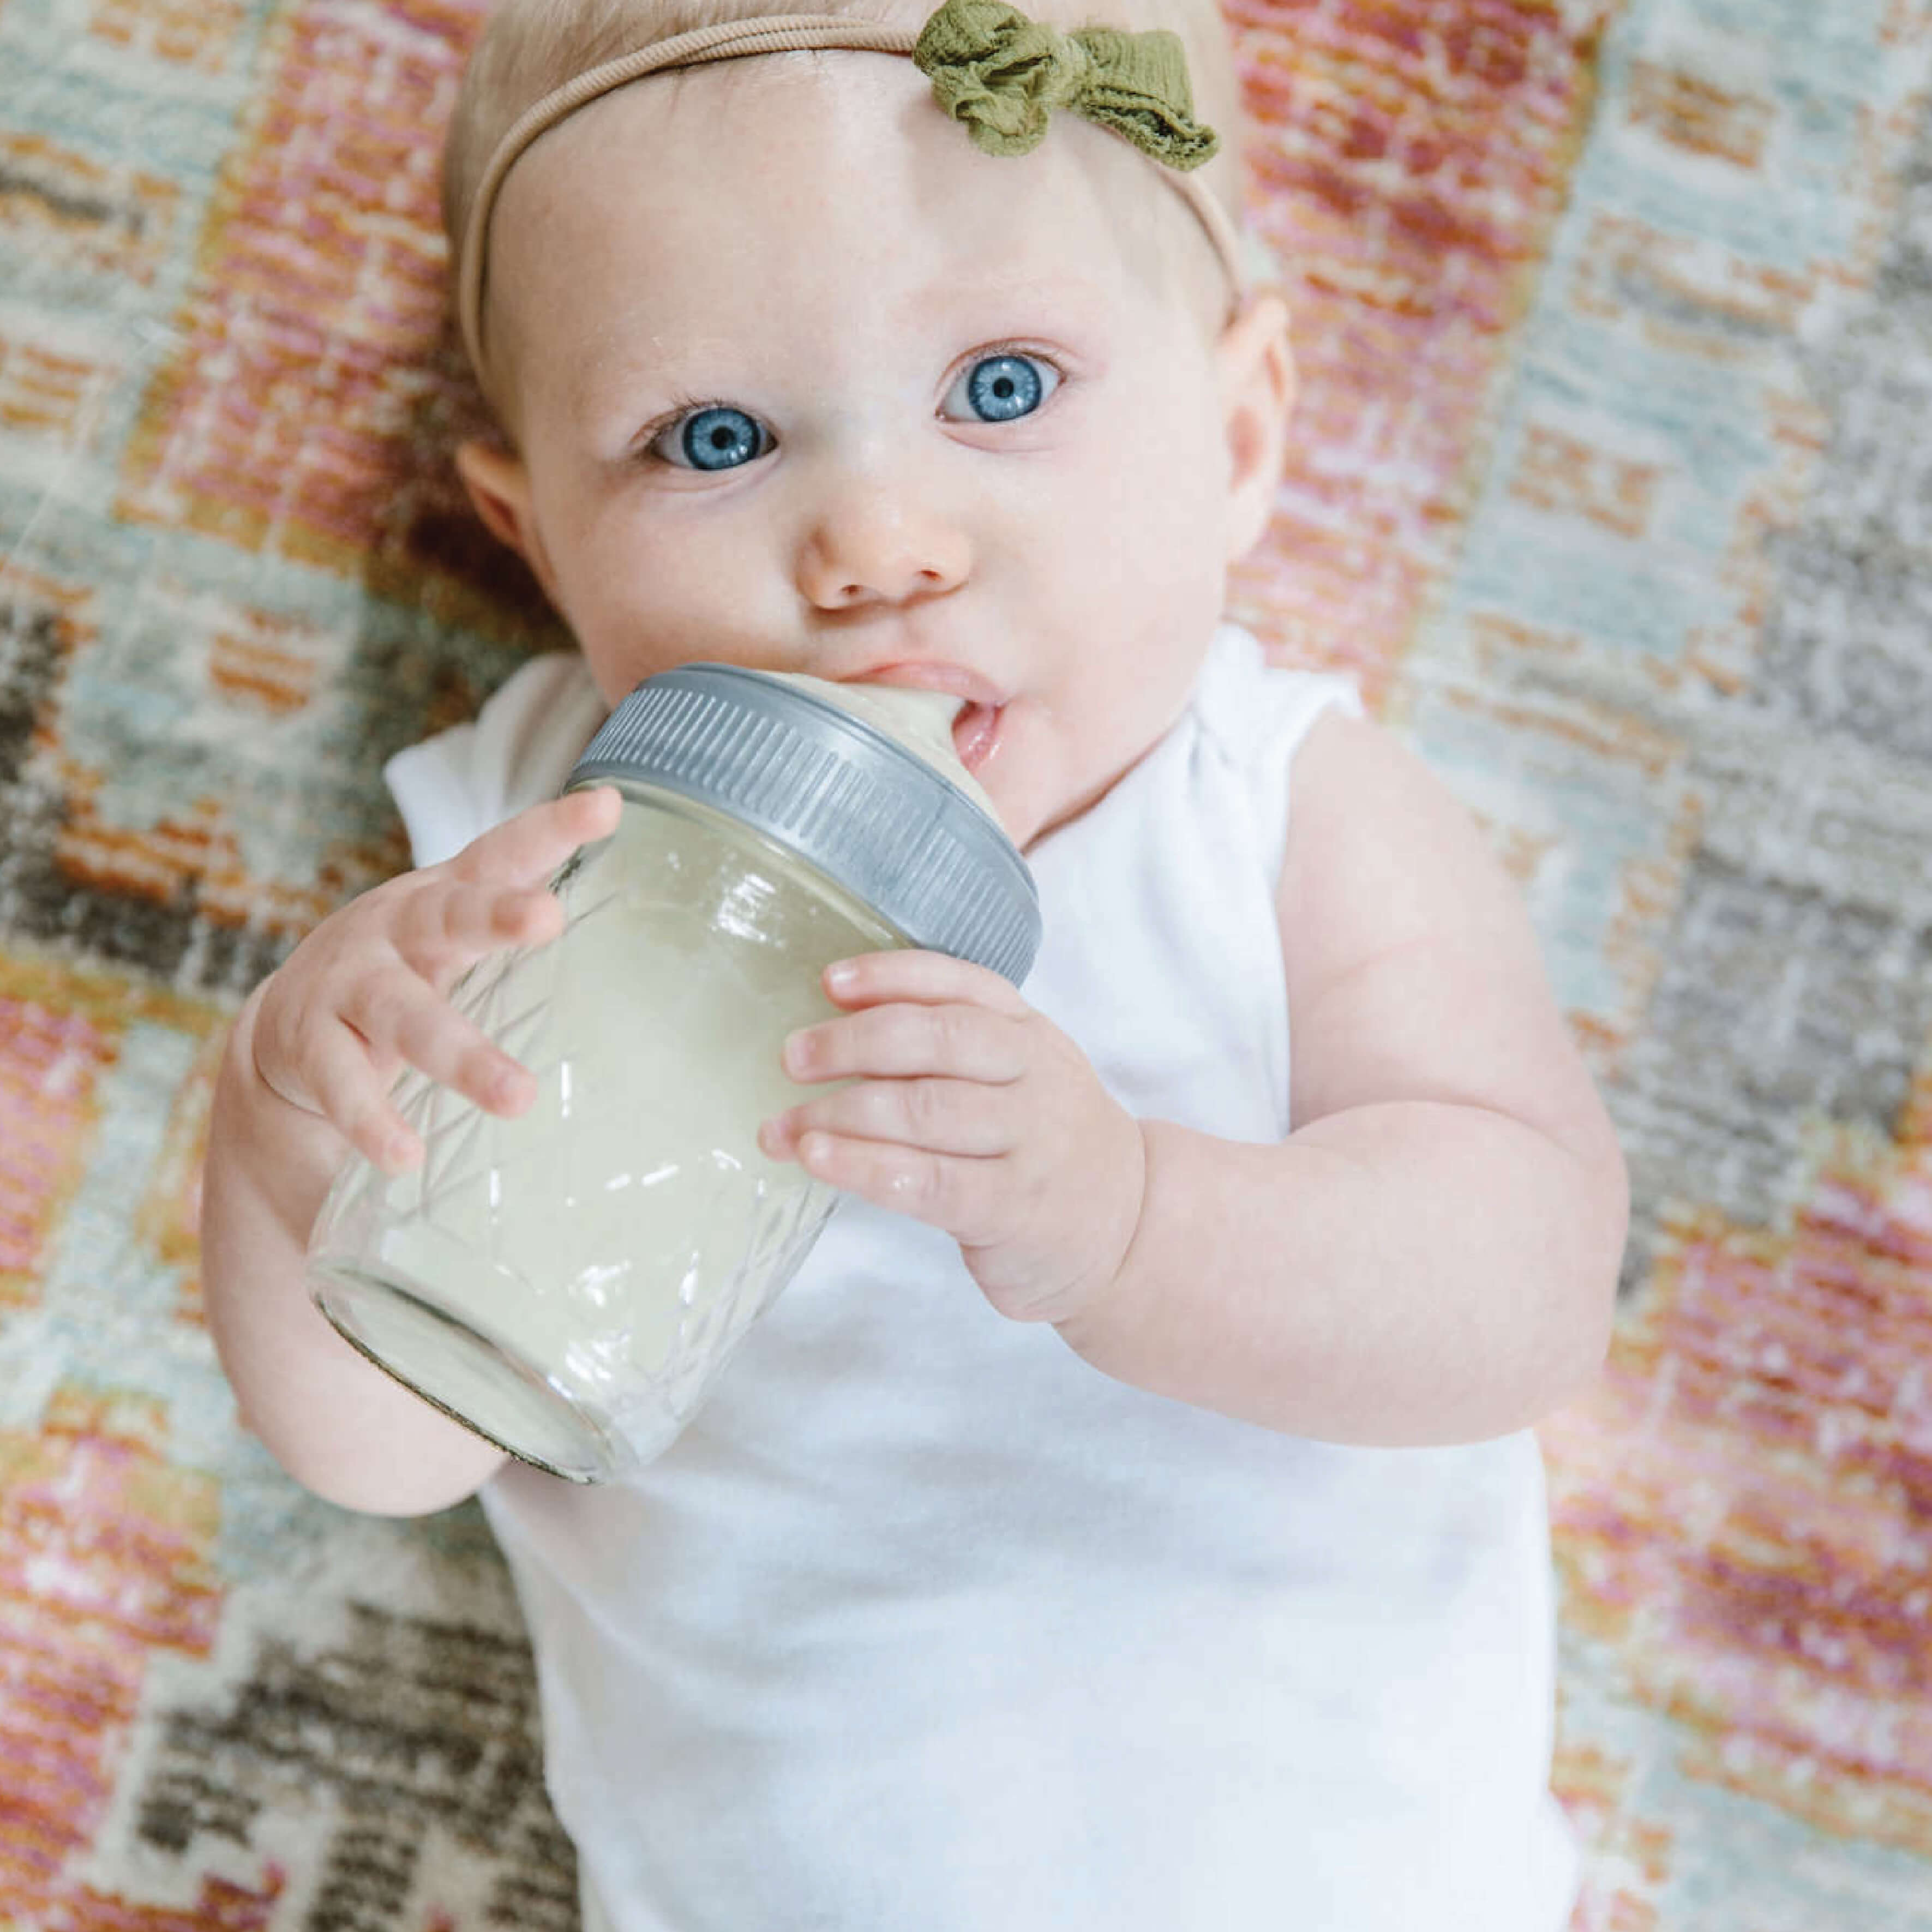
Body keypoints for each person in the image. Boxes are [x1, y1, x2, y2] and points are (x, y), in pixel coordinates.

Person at [200, 0, 1630, 1923]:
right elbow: (386, 1447)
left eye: (1005, 389)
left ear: (1238, 437)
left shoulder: (1269, 812)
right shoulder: (532, 857)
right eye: (715, 439)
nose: (875, 541)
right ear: (539, 540)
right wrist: (292, 1127)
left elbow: (1522, 1292)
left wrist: (1131, 1221)